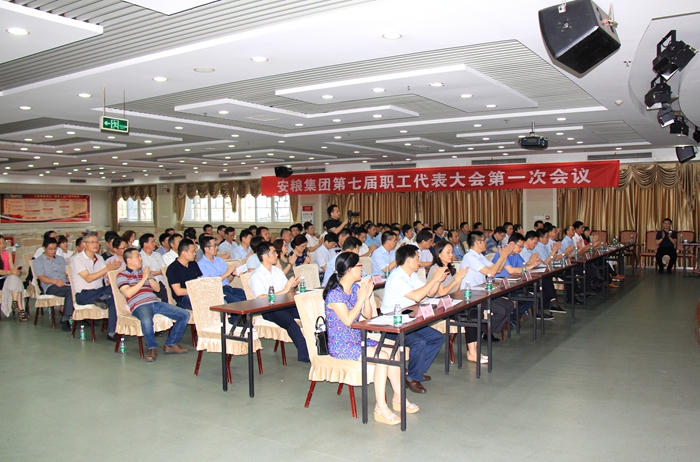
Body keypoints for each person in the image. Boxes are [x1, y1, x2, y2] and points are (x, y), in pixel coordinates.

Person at [324, 252, 418, 425]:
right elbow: (348, 320)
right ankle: (380, 407)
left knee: (393, 352)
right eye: (359, 265)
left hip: (357, 338)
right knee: (382, 357)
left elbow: (367, 315)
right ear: (350, 269)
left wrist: (366, 298)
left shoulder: (354, 288)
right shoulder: (334, 294)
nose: (362, 268)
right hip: (341, 345)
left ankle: (398, 397)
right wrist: (361, 299)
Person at [380, 245, 448, 394]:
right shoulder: (397, 277)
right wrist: (433, 279)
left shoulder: (411, 275)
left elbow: (430, 293)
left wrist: (437, 281)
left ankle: (414, 372)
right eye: (417, 258)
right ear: (409, 260)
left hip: (409, 318)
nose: (419, 261)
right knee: (419, 342)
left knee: (437, 338)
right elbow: (417, 296)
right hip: (393, 323)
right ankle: (412, 378)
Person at [117, 248, 191, 362]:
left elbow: (157, 289)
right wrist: (143, 279)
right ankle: (151, 348)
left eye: (140, 256)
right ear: (129, 260)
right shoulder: (122, 275)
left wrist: (149, 277)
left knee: (184, 314)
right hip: (139, 305)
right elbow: (128, 293)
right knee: (147, 321)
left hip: (155, 302)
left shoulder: (144, 273)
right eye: (137, 256)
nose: (141, 259)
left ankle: (171, 344)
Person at [249, 242, 309, 363]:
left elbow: (288, 291)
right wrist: (285, 290)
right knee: (292, 325)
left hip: (286, 305)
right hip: (270, 309)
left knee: (310, 315)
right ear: (264, 256)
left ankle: (321, 348)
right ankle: (306, 355)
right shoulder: (256, 275)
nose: (277, 255)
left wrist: (291, 286)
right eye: (273, 253)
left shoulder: (277, 271)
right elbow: (261, 297)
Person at [427, 241, 486, 363]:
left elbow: (455, 290)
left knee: (476, 310)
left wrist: (459, 279)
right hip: (439, 307)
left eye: (452, 252)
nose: (451, 255)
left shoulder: (450, 268)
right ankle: (472, 352)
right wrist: (456, 280)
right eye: (448, 252)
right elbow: (442, 292)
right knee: (469, 315)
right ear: (439, 254)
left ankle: (474, 350)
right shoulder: (435, 269)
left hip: (451, 303)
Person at [459, 231, 515, 342]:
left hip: (482, 293)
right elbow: (491, 273)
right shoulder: (470, 257)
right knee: (501, 311)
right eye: (483, 241)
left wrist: (504, 256)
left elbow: (497, 269)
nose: (486, 243)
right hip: (471, 296)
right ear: (477, 242)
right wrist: (501, 257)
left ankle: (486, 331)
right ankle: (485, 332)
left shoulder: (479, 256)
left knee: (509, 305)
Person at [71, 232, 121, 341]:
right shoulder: (78, 259)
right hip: (84, 294)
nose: (95, 244)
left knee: (116, 293)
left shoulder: (99, 258)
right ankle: (103, 298)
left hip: (99, 291)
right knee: (111, 295)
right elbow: (88, 278)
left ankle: (112, 332)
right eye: (92, 242)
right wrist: (107, 268)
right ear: (84, 244)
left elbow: (106, 275)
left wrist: (113, 272)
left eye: (97, 242)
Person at [34, 237, 74, 331]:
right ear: (44, 248)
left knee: (77, 289)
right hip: (50, 286)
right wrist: (55, 281)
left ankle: (79, 315)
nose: (53, 251)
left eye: (55, 248)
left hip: (64, 284)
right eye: (50, 249)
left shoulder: (60, 259)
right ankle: (66, 318)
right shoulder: (38, 261)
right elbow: (41, 278)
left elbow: (66, 272)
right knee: (70, 291)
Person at [198, 236, 245, 303]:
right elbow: (210, 283)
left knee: (248, 297)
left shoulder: (220, 261)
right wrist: (227, 273)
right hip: (217, 291)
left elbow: (227, 280)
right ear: (206, 249)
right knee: (238, 302)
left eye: (216, 245)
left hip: (228, 288)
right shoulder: (201, 264)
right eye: (214, 246)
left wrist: (232, 274)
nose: (217, 248)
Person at [165, 239, 203, 310]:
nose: (195, 254)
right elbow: (178, 291)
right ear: (184, 253)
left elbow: (199, 280)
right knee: (204, 305)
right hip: (184, 298)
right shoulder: (172, 269)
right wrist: (196, 291)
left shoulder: (193, 264)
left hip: (197, 294)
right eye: (192, 251)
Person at [0, 235, 28, 321]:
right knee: (15, 280)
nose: (3, 245)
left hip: (8, 278)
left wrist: (16, 271)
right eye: (0, 243)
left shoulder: (7, 254)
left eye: (3, 243)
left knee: (15, 279)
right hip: (1, 279)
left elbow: (11, 268)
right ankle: (20, 309)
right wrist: (10, 272)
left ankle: (15, 303)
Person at [139, 233, 168, 303]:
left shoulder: (157, 255)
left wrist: (161, 272)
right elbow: (146, 273)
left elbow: (164, 268)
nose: (155, 244)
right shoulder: (140, 257)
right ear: (145, 244)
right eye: (152, 242)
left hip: (162, 282)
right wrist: (159, 272)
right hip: (149, 283)